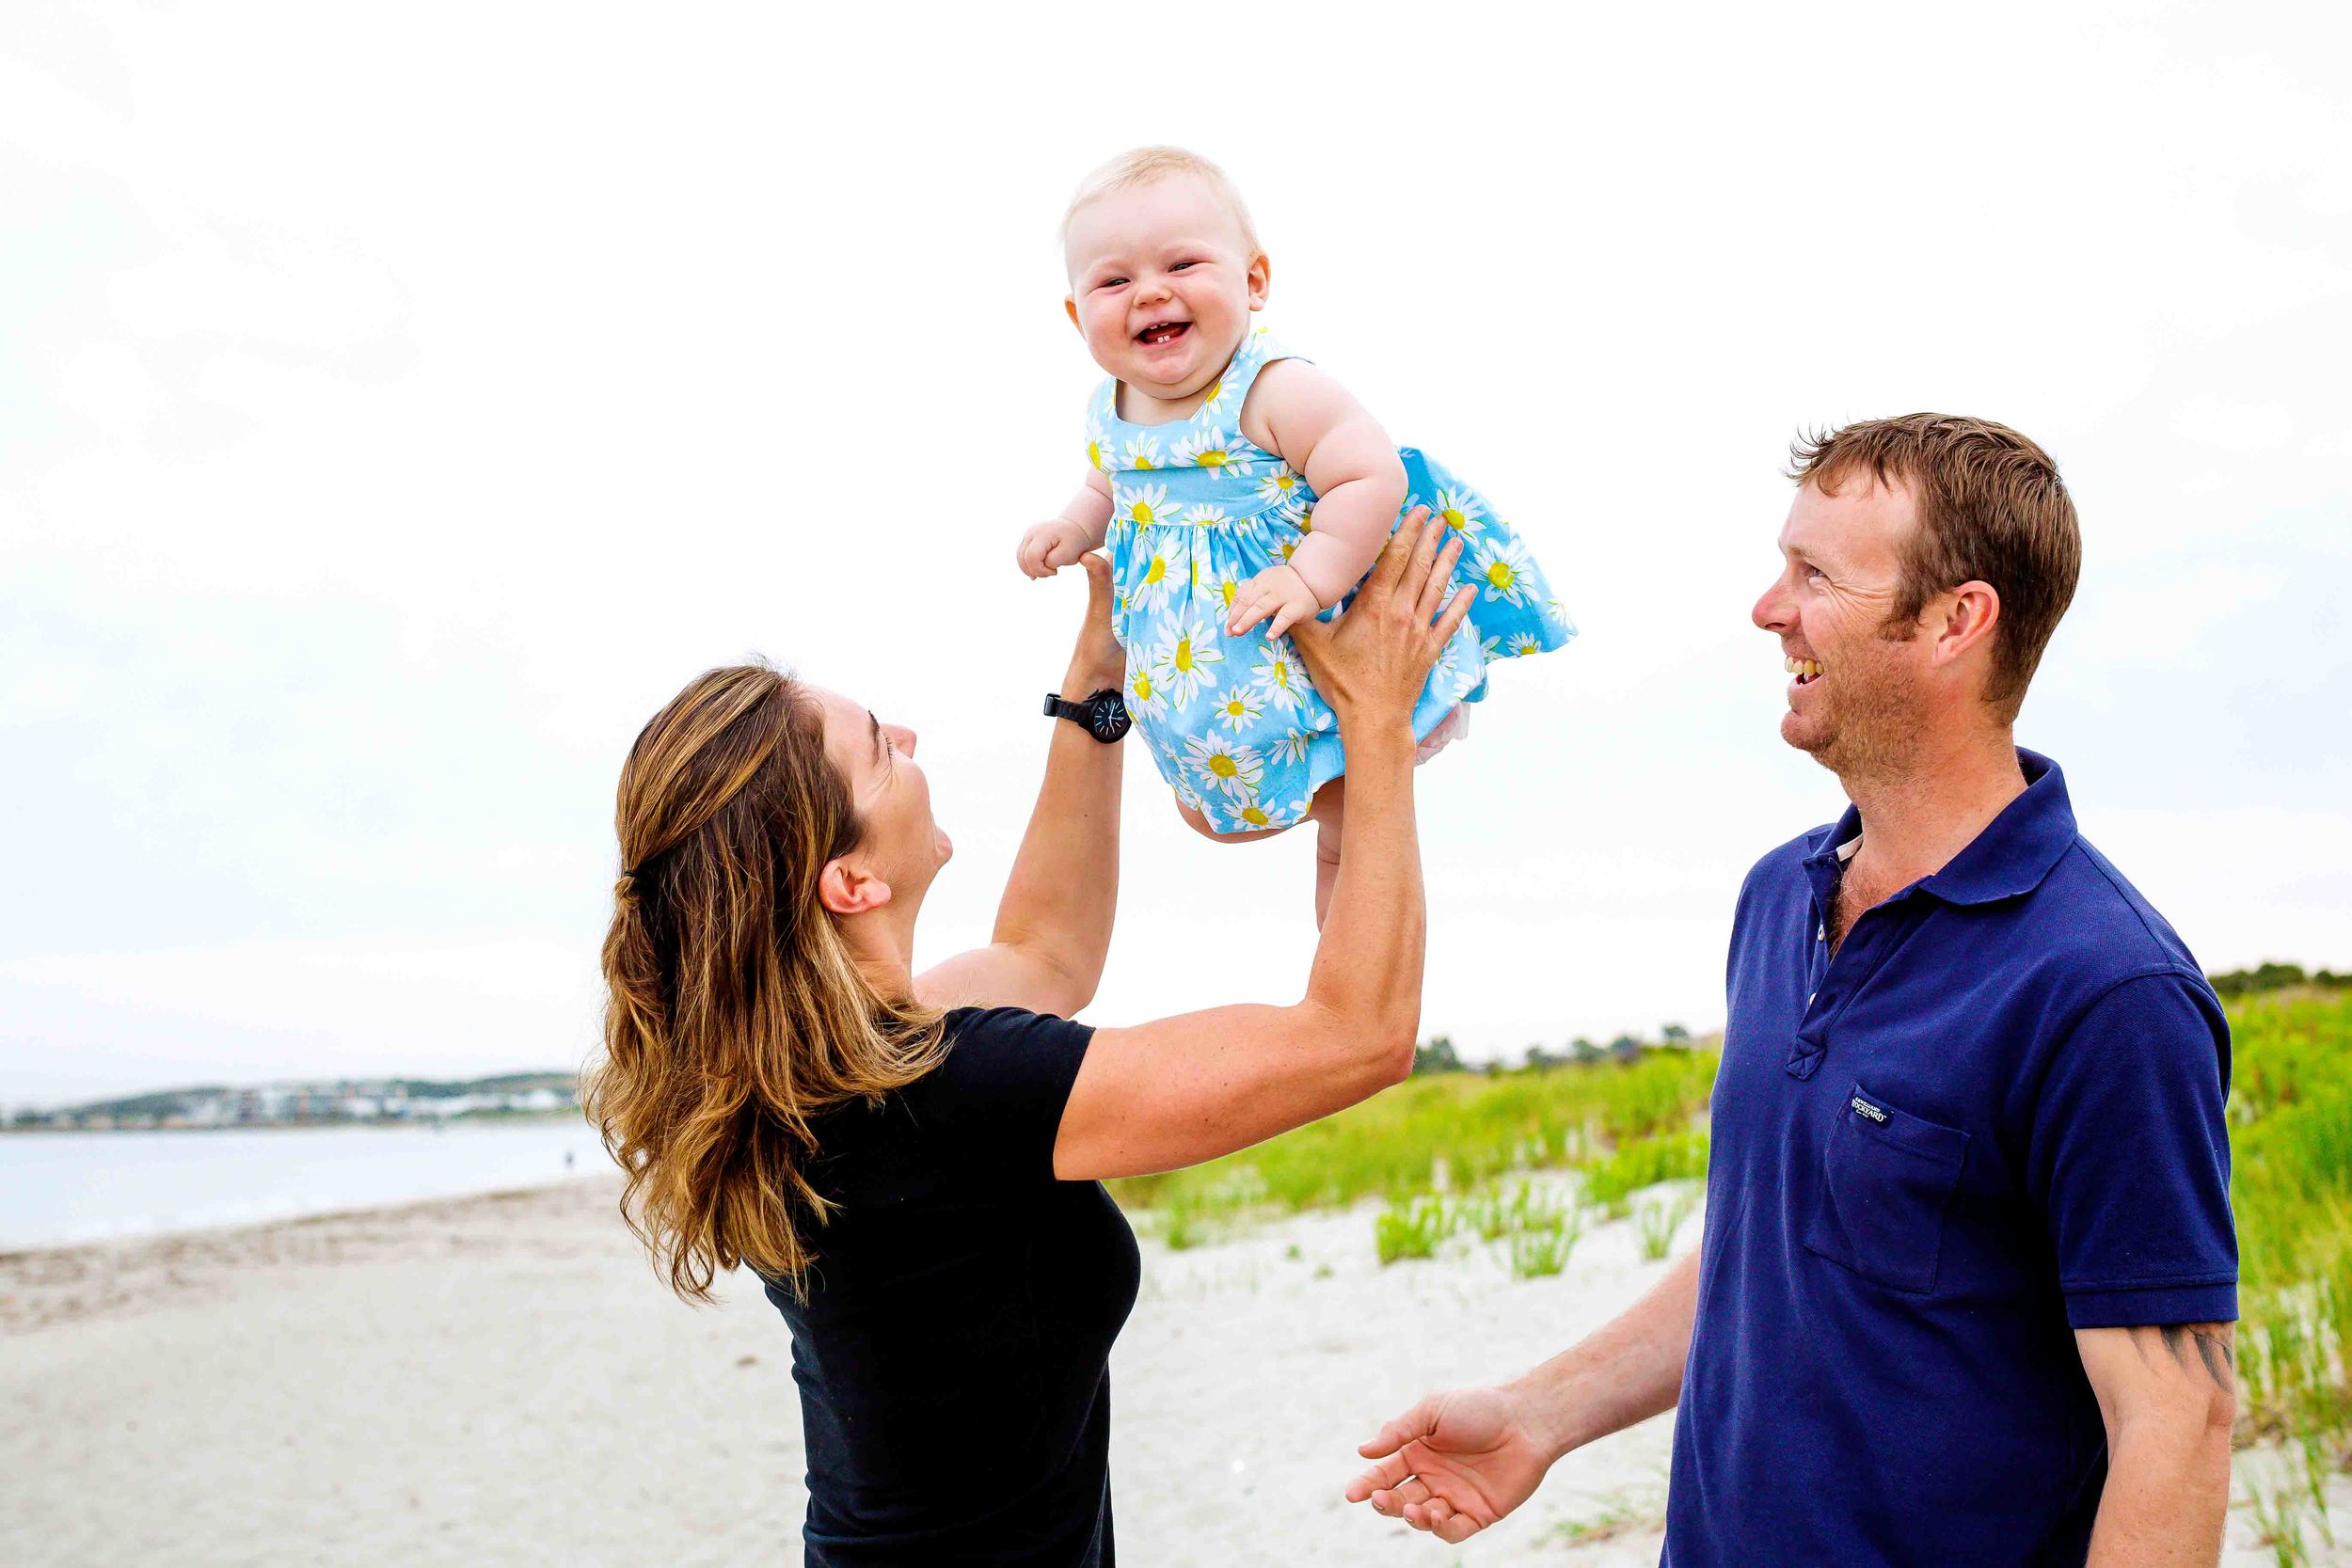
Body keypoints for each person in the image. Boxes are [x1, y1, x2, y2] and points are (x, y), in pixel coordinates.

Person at [1345, 416, 2239, 1566]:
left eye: (1814, 574)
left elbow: (2177, 1419)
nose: (1768, 608)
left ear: (1957, 620)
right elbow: (1768, 1242)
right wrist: (1539, 1412)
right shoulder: (1782, 897)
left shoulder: (2108, 991)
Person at [590, 517, 1476, 1566]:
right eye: (881, 750)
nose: (910, 740)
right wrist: (1374, 718)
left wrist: (1098, 674)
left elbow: (1045, 952)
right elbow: (1357, 1037)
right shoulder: (951, 1089)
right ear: (850, 883)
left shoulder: (809, 1078)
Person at [1018, 146, 1574, 924]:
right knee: (1204, 813)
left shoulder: (1273, 387)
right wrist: (1073, 527)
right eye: (1114, 280)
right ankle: (1302, 857)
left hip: (1309, 655)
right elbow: (1107, 484)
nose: (1149, 292)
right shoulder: (1111, 409)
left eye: (1181, 264)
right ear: (1079, 315)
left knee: (1348, 821)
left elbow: (1369, 474)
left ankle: (1349, 972)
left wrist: (1310, 577)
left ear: (1254, 282)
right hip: (1213, 681)